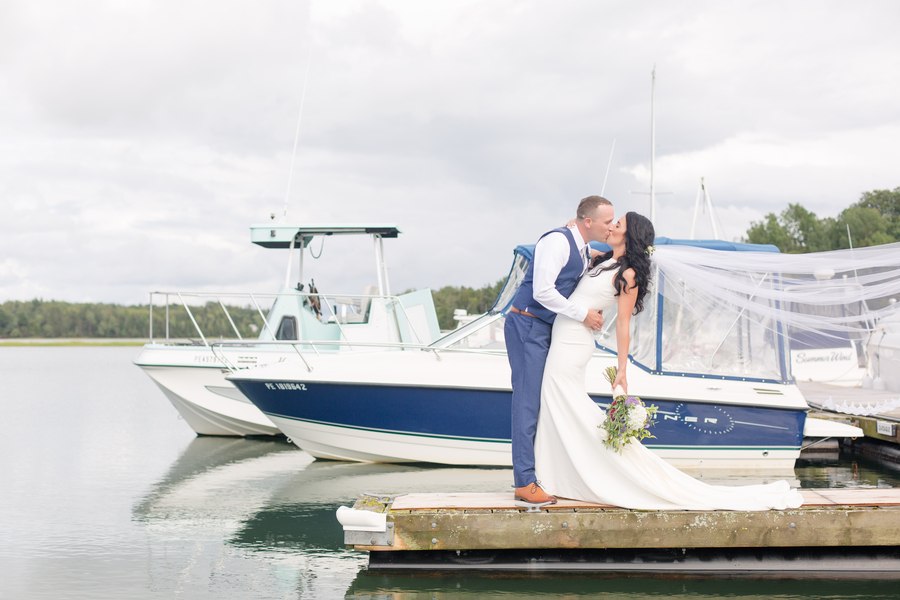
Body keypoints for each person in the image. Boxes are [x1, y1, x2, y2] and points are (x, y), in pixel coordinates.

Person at [534, 212, 803, 510]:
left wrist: (622, 369)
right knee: (558, 402)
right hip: (565, 335)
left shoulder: (628, 274)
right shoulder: (602, 259)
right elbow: (577, 244)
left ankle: (580, 474)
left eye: (618, 225)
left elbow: (623, 323)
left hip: (574, 342)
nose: (611, 228)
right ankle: (557, 474)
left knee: (561, 399)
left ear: (630, 235)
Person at [505, 195, 615, 507]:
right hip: (527, 325)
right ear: (589, 221)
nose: (610, 226)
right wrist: (582, 315)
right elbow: (542, 291)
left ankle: (541, 473)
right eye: (608, 221)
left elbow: (586, 258)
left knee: (541, 402)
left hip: (544, 328)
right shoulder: (556, 242)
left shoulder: (581, 245)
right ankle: (524, 482)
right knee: (526, 403)